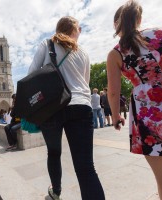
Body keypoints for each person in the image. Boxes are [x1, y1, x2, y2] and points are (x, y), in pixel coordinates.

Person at [28, 16, 105, 200]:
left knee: (54, 153)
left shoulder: (46, 45)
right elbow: (84, 84)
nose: (81, 31)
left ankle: (56, 192)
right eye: (79, 28)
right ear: (72, 30)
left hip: (52, 108)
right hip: (80, 105)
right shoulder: (83, 53)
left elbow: (31, 74)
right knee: (86, 167)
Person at [106, 1, 162, 199]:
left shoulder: (116, 53)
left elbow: (113, 92)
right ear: (139, 19)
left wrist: (116, 116)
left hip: (150, 115)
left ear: (117, 24)